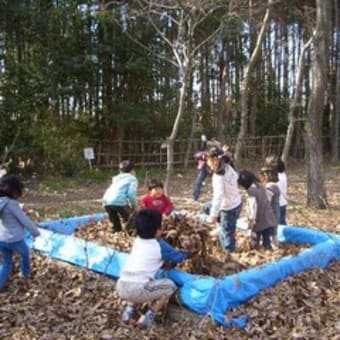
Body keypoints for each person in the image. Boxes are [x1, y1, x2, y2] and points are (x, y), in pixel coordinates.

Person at [116, 209, 190, 329]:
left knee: (143, 280)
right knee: (170, 286)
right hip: (137, 290)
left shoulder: (138, 240)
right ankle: (147, 319)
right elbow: (179, 257)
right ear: (158, 231)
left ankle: (127, 314)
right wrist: (191, 252)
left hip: (121, 285)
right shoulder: (159, 246)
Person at [0, 175, 40, 291]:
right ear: (14, 190)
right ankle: (25, 274)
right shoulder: (12, 204)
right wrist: (35, 232)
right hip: (15, 240)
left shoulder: (2, 202)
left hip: (1, 239)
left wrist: (20, 206)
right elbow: (24, 220)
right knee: (25, 254)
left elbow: (9, 209)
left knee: (6, 264)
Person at [206, 146, 242, 253]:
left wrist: (213, 216)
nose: (208, 164)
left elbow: (218, 196)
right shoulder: (228, 167)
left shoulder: (218, 176)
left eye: (209, 161)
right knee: (206, 207)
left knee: (227, 234)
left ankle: (229, 254)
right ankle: (221, 226)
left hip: (228, 209)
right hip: (237, 203)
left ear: (215, 160)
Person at [237, 170, 277, 250]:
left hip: (259, 220)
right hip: (268, 217)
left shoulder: (251, 191)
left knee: (255, 239)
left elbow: (253, 207)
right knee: (266, 239)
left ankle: (257, 249)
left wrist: (252, 220)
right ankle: (268, 249)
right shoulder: (260, 186)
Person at [102, 160, 138, 232]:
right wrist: (134, 205)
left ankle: (116, 230)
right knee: (131, 218)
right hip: (119, 202)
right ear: (132, 171)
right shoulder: (132, 179)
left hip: (106, 202)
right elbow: (131, 194)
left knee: (115, 221)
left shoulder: (116, 179)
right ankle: (130, 232)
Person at [260, 166, 280, 247]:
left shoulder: (270, 187)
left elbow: (267, 201)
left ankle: (271, 247)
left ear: (265, 176)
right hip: (275, 212)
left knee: (270, 232)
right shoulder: (275, 186)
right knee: (274, 232)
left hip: (270, 215)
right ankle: (275, 245)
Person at [265, 156, 288, 225]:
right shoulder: (283, 174)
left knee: (277, 227)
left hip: (276, 205)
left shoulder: (275, 179)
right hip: (283, 203)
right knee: (281, 224)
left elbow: (270, 193)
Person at [192, 134, 209, 202]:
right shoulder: (202, 148)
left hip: (213, 167)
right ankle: (195, 198)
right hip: (204, 167)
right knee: (198, 182)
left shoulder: (211, 145)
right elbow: (196, 155)